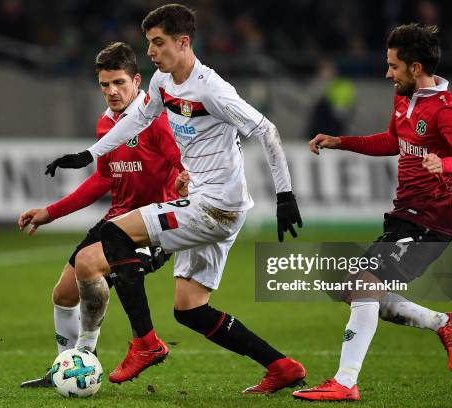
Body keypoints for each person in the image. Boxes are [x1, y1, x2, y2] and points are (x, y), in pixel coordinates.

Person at [44, 3, 305, 394]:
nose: (150, 51)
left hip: (215, 206)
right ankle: (283, 367)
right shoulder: (162, 83)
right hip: (210, 203)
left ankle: (145, 343)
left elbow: (266, 130)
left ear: (183, 42)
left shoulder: (212, 89)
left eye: (158, 43)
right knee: (191, 310)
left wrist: (285, 195)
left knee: (114, 235)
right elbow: (139, 119)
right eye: (149, 43)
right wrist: (91, 154)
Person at [294, 23, 452, 401]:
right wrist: (341, 141)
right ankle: (443, 323)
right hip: (404, 215)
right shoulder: (404, 99)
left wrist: (445, 165)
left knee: (363, 283)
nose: (387, 73)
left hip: (430, 223)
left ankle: (345, 382)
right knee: (353, 289)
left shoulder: (447, 109)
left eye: (393, 66)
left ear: (415, 68)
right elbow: (392, 141)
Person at [17, 42, 184, 387]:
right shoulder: (106, 124)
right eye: (105, 85)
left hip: (152, 225)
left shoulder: (157, 121)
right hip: (115, 220)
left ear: (138, 81)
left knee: (87, 264)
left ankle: (85, 356)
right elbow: (104, 179)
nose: (112, 91)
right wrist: (50, 213)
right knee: (63, 294)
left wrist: (186, 186)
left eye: (119, 82)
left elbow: (185, 165)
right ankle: (63, 366)